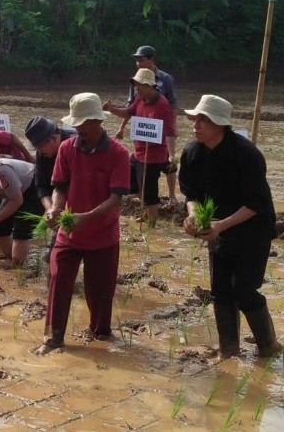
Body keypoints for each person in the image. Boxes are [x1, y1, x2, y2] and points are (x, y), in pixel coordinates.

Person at [179, 94, 283, 359]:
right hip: (218, 231)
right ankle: (229, 350)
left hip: (252, 230)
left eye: (203, 120)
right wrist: (193, 217)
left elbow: (256, 203)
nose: (195, 124)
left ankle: (269, 346)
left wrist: (220, 225)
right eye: (195, 119)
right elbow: (191, 194)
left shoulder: (247, 155)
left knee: (245, 290)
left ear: (220, 124)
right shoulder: (192, 153)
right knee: (221, 291)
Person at [38, 93, 130, 354]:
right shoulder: (67, 149)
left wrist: (85, 218)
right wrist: (56, 207)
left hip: (103, 235)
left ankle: (100, 333)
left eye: (83, 124)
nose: (78, 129)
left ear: (96, 121)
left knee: (100, 292)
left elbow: (116, 199)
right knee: (59, 278)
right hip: (69, 233)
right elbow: (59, 186)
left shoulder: (118, 153)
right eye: (75, 125)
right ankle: (54, 338)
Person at [103, 68, 176, 227]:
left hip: (153, 156)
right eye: (136, 85)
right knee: (131, 184)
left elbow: (170, 132)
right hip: (138, 153)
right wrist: (112, 109)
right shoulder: (139, 99)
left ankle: (151, 226)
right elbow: (128, 112)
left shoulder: (163, 105)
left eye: (140, 85)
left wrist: (171, 155)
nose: (137, 88)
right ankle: (148, 211)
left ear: (150, 86)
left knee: (150, 193)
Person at [116, 45, 179, 204]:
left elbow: (172, 105)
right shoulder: (136, 81)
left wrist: (173, 126)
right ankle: (147, 200)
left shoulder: (165, 79)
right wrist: (122, 127)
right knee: (141, 165)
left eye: (141, 59)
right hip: (144, 128)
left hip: (162, 128)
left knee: (167, 163)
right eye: (136, 60)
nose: (138, 63)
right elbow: (132, 107)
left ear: (151, 59)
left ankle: (171, 195)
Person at [24, 116, 76, 262]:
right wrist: (50, 209)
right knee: (54, 257)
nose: (40, 151)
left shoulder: (75, 146)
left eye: (41, 147)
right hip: (58, 202)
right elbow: (41, 185)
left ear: (54, 138)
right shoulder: (43, 154)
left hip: (79, 204)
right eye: (37, 148)